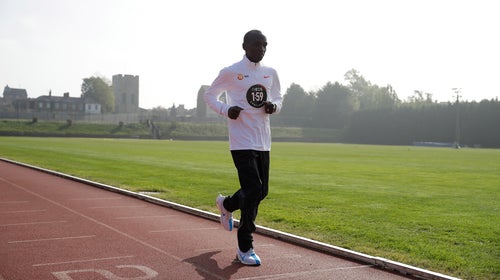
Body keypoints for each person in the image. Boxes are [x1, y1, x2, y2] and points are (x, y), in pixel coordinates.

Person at [204, 29, 283, 266]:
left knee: (261, 191)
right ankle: (245, 247)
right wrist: (226, 110)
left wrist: (274, 107)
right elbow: (210, 96)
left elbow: (279, 99)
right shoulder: (231, 72)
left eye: (265, 45)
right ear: (245, 46)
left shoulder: (271, 73)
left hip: (263, 140)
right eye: (257, 44)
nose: (261, 49)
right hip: (241, 141)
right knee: (254, 188)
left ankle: (226, 204)